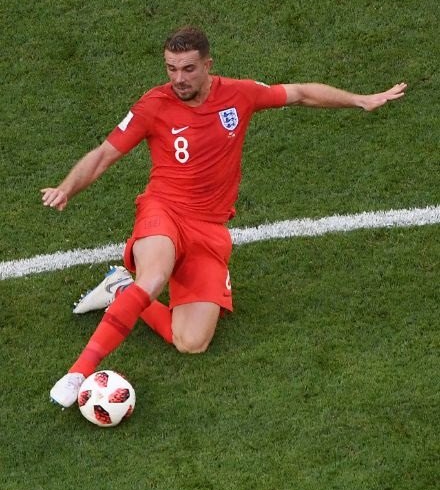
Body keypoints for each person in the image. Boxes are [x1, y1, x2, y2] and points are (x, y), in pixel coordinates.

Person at [42, 26, 407, 407]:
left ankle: (119, 288)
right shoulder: (153, 105)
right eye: (171, 69)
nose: (178, 79)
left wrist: (359, 100)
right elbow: (104, 153)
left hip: (209, 229)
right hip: (163, 211)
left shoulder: (238, 94)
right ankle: (78, 372)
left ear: (208, 65)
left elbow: (299, 93)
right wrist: (67, 188)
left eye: (188, 69)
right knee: (153, 278)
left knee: (191, 342)